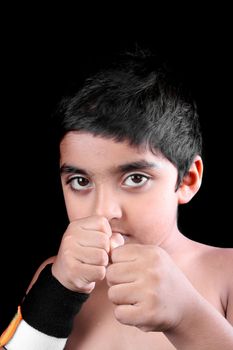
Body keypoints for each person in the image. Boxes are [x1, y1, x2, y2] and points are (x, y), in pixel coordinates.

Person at [1, 48, 233, 350]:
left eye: (135, 178)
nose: (104, 211)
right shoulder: (58, 276)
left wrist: (188, 316)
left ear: (187, 179)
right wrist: (58, 294)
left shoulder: (226, 272)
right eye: (80, 181)